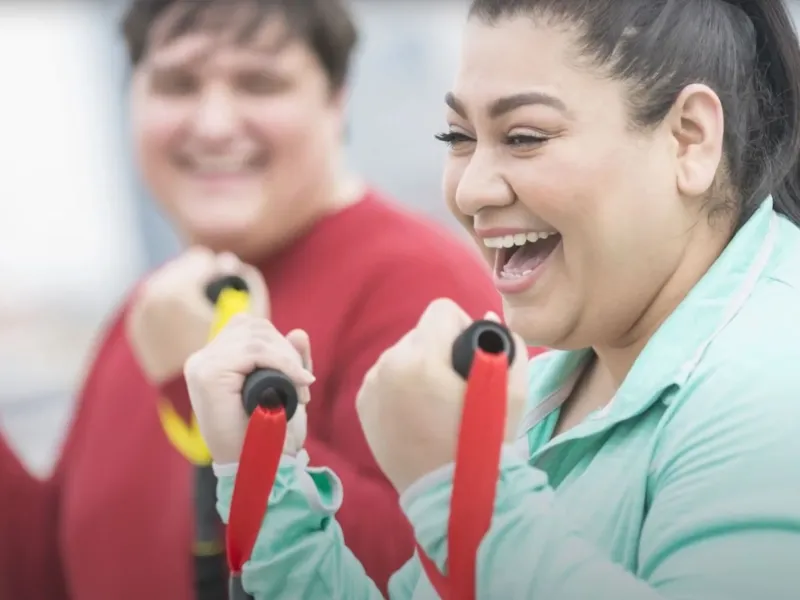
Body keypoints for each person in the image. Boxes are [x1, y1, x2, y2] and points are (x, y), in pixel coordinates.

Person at [185, 0, 800, 598]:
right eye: (457, 136)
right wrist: (266, 478)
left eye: (525, 136)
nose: (470, 189)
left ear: (689, 139)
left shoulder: (775, 375)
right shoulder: (548, 383)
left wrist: (458, 489)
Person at [0, 1, 516, 599]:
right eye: (177, 84)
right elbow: (51, 573)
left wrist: (197, 392)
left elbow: (440, 571)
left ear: (337, 99)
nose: (214, 123)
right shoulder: (154, 306)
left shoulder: (421, 288)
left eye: (259, 82)